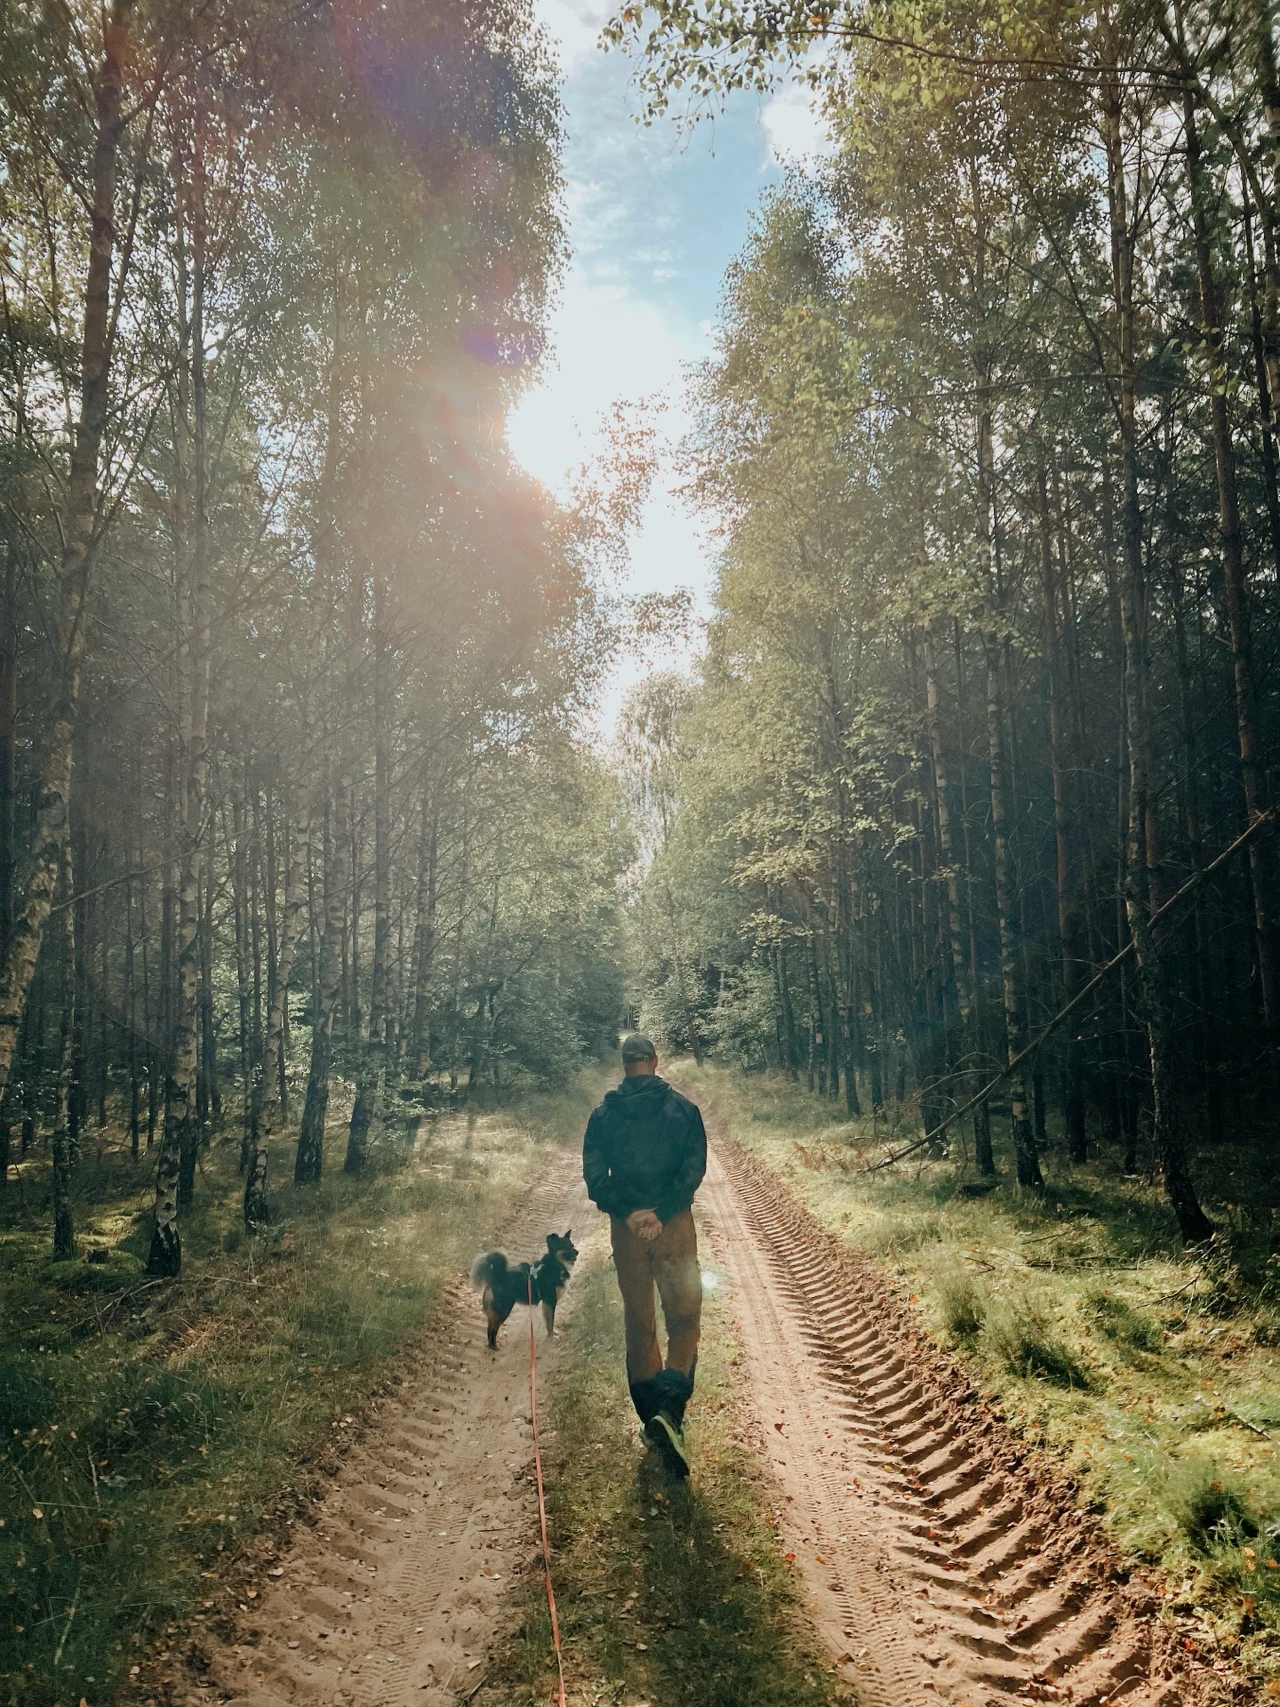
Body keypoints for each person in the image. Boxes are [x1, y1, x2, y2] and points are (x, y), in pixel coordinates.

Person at [581, 1032, 707, 1477]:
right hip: (674, 1227)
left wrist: (629, 1213)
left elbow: (595, 1175)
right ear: (655, 1061)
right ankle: (671, 1413)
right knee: (684, 1317)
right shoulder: (684, 1110)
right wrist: (663, 1210)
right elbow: (694, 1169)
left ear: (624, 1064)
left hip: (627, 1232)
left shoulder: (604, 1115)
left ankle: (652, 1415)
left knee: (640, 1321)